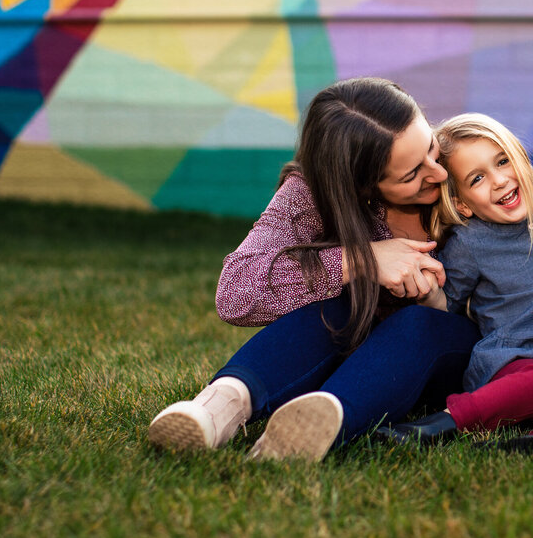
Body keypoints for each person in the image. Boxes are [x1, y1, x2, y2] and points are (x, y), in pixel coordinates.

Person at [148, 77, 479, 462]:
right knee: (333, 309)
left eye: (430, 149)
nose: (437, 173)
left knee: (416, 325)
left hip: (449, 354)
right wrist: (359, 259)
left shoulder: (465, 162)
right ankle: (215, 411)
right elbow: (236, 294)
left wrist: (436, 301)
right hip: (354, 357)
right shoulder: (310, 194)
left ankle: (315, 428)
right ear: (361, 187)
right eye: (411, 176)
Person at [373, 114, 533, 460]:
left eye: (503, 161)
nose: (499, 180)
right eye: (477, 178)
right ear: (462, 203)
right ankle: (439, 425)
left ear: (519, 157)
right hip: (516, 359)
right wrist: (432, 294)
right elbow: (448, 306)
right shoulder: (469, 241)